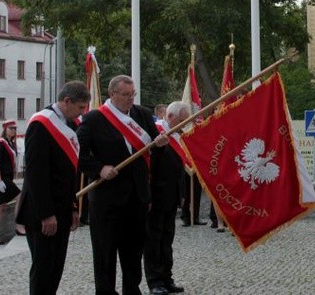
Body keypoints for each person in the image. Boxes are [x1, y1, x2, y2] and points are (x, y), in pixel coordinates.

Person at [77, 75, 169, 295]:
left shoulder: (142, 115)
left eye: (133, 94)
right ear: (113, 94)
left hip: (137, 196)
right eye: (126, 95)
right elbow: (79, 156)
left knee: (133, 251)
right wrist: (99, 168)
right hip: (106, 199)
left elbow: (156, 147)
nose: (130, 99)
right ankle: (106, 291)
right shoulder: (94, 119)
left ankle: (131, 289)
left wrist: (161, 144)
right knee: (105, 252)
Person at [16, 81, 91, 295]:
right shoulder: (41, 123)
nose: (81, 113)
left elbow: (71, 173)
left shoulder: (69, 124)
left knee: (55, 268)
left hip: (62, 209)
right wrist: (46, 214)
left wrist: (73, 206)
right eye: (79, 107)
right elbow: (36, 174)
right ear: (66, 101)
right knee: (43, 269)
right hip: (42, 213)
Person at [144, 101, 189, 295]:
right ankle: (154, 281)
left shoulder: (178, 136)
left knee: (167, 239)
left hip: (171, 195)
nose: (184, 125)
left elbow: (179, 170)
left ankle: (166, 278)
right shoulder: (155, 133)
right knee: (153, 240)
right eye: (181, 121)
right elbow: (148, 166)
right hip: (155, 195)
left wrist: (181, 195)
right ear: (170, 117)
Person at [0, 119, 24, 244]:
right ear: (5, 129)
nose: (13, 130)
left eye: (15, 128)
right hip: (1, 177)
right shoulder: (1, 143)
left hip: (7, 178)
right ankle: (19, 226)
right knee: (20, 196)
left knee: (0, 206)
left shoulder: (10, 143)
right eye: (11, 128)